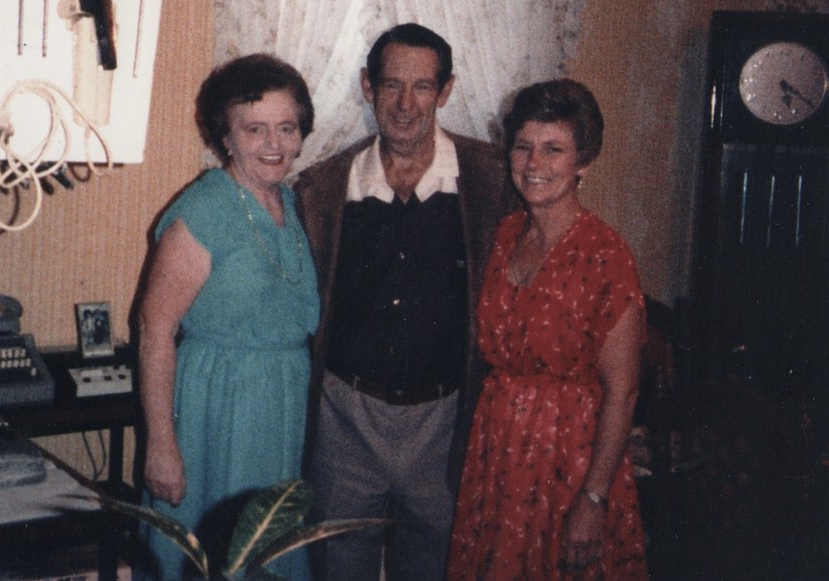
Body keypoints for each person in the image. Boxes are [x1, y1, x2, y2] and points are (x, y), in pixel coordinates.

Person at [294, 23, 516, 581]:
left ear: (445, 92)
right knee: (339, 566)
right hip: (346, 419)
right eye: (391, 85)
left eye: (422, 87)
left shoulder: (491, 179)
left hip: (445, 421)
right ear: (367, 87)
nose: (405, 104)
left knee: (437, 568)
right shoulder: (323, 187)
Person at [446, 79, 649, 580]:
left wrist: (594, 498)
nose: (534, 164)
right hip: (499, 452)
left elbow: (622, 393)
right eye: (523, 147)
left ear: (584, 161)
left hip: (570, 460)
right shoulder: (505, 235)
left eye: (553, 149)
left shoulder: (607, 255)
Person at [134, 54, 319, 580]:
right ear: (226, 136)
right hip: (212, 411)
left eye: (287, 128)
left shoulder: (288, 202)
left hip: (277, 412)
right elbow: (155, 330)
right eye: (255, 129)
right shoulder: (205, 207)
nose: (274, 144)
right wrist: (162, 445)